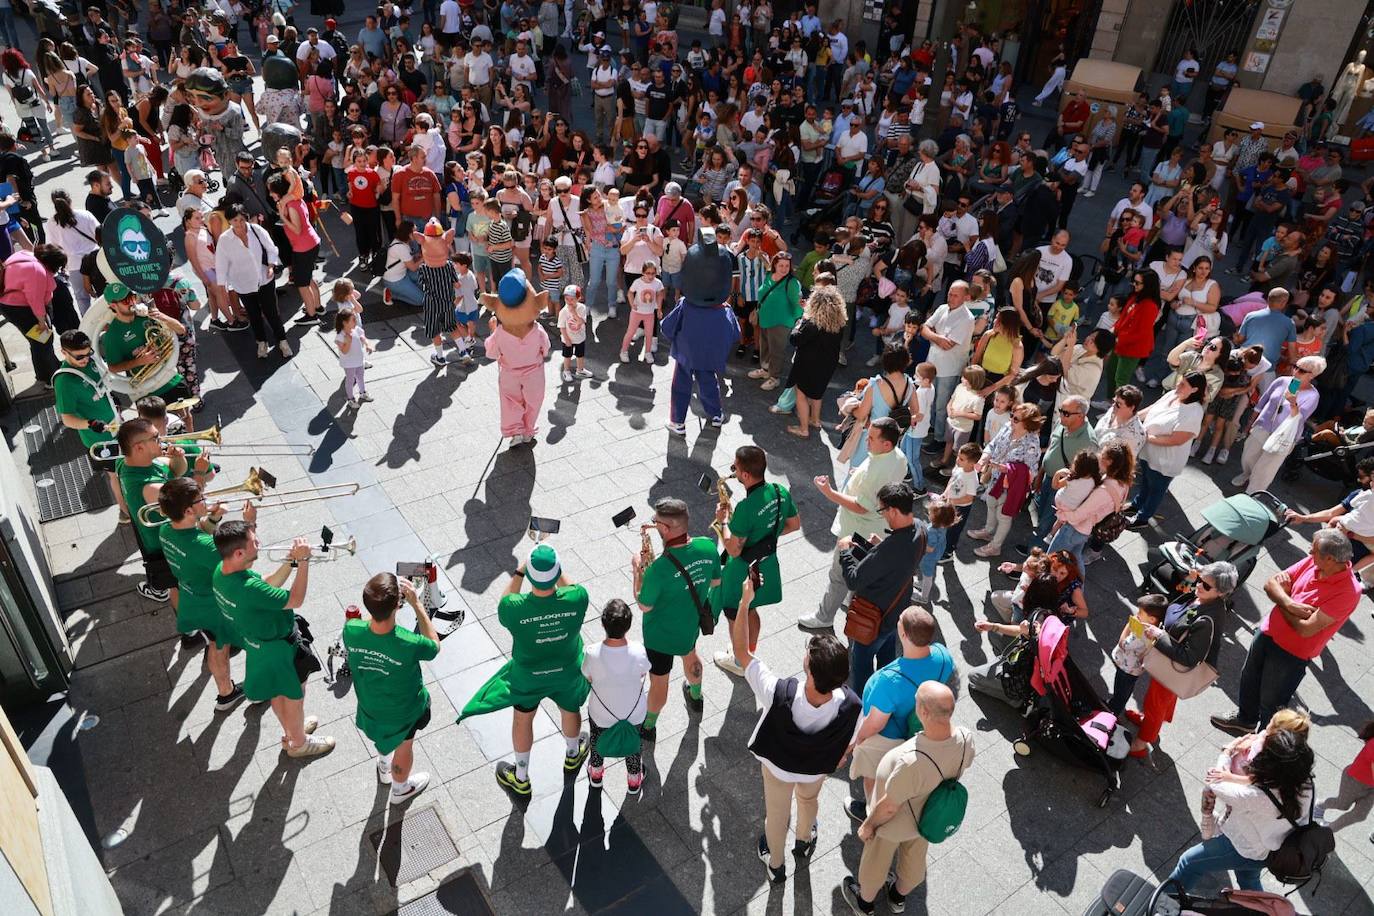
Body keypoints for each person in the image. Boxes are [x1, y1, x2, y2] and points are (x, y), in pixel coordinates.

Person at [733, 572, 858, 884]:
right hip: (815, 768)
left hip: (777, 767)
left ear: (810, 669)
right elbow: (852, 741)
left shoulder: (778, 690)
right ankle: (804, 840)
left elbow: (742, 654)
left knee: (776, 816)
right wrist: (841, 756)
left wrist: (744, 603)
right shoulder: (851, 705)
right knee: (808, 800)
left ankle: (776, 865)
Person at [460, 544, 591, 797]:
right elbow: (570, 588)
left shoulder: (514, 608)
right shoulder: (578, 598)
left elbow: (505, 600)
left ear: (530, 574)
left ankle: (520, 777)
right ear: (557, 572)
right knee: (570, 709)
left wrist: (520, 572)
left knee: (522, 719)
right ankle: (573, 755)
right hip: (566, 671)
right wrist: (555, 568)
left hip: (528, 677)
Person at [1211, 530, 1361, 737]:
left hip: (1292, 653)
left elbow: (1305, 628)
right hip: (1267, 632)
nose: (1309, 551)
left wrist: (1281, 597)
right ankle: (1244, 720)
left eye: (1314, 550)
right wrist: (1289, 602)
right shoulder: (1313, 562)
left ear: (1330, 558)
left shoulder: (1348, 592)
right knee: (1249, 678)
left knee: (1272, 702)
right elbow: (1270, 583)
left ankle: (1263, 741)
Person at [841, 681, 974, 915]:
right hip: (928, 816)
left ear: (922, 712)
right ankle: (897, 897)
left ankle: (864, 904)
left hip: (896, 823)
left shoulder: (912, 760)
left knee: (876, 861)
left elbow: (890, 807)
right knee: (914, 860)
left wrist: (869, 824)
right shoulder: (965, 738)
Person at [213, 519, 335, 758]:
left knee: (278, 693)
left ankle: (291, 730)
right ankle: (299, 743)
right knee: (294, 697)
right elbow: (296, 599)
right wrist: (304, 562)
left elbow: (266, 584)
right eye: (254, 541)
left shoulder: (223, 571)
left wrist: (290, 562)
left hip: (260, 645)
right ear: (239, 553)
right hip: (279, 648)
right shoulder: (248, 589)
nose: (259, 543)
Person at [1166, 729, 1314, 893]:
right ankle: (1263, 911)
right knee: (1248, 879)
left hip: (1243, 847)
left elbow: (1215, 781)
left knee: (1189, 862)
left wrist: (1227, 752)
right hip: (1268, 849)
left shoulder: (1256, 796)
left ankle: (1164, 902)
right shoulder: (1305, 782)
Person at [844, 606, 954, 820]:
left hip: (889, 738)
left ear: (903, 634)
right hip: (916, 733)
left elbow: (875, 724)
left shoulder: (889, 681)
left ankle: (872, 813)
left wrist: (856, 741)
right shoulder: (943, 655)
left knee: (874, 777)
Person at [799, 419, 910, 631]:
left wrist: (829, 493)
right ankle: (849, 599)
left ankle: (824, 617)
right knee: (858, 570)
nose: (866, 441)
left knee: (839, 574)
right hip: (873, 527)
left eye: (871, 438)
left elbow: (861, 506)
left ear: (887, 444)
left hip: (857, 528)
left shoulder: (877, 470)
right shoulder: (899, 457)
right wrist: (858, 476)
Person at [157, 477, 252, 712]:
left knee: (213, 643)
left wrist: (213, 518)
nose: (206, 500)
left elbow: (195, 532)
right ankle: (226, 693)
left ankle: (225, 690)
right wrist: (250, 525)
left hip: (192, 597)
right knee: (219, 647)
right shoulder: (205, 547)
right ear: (189, 510)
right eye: (201, 499)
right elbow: (243, 561)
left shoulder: (166, 529)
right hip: (213, 605)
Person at [347, 572, 440, 805]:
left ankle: (383, 765)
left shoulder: (351, 630)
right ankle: (400, 789)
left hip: (370, 705)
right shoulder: (408, 642)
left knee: (383, 735)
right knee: (404, 746)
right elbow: (434, 646)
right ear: (397, 607)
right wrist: (417, 604)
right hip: (404, 711)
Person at [1127, 562, 1237, 758]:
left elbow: (1189, 657)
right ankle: (1153, 722)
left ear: (1221, 593)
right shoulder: (1205, 599)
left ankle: (1141, 742)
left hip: (1173, 666)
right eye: (1201, 580)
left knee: (1155, 703)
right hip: (1171, 664)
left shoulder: (1206, 620)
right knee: (1162, 700)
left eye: (1206, 585)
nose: (1199, 585)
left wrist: (1159, 636)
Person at [632, 498, 722, 738]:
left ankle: (648, 726)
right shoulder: (708, 547)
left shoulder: (657, 570)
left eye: (656, 522)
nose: (654, 525)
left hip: (659, 636)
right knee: (691, 657)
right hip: (689, 625)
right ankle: (696, 696)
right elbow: (715, 582)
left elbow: (643, 605)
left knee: (659, 684)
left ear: (665, 528)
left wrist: (636, 573)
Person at [713, 446, 802, 676]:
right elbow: (794, 525)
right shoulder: (780, 490)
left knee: (735, 614)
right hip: (765, 562)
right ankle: (750, 651)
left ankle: (740, 661)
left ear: (744, 475)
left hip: (740, 570)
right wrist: (765, 535)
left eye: (735, 467)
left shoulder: (745, 508)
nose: (733, 471)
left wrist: (723, 523)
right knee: (752, 608)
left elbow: (733, 550)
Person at [839, 483, 924, 692]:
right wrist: (877, 548)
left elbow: (854, 580)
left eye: (882, 510)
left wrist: (844, 552)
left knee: (861, 664)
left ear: (893, 510)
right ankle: (886, 692)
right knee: (887, 657)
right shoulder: (921, 529)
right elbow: (899, 560)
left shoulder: (889, 549)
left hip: (874, 617)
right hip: (896, 611)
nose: (883, 515)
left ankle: (862, 704)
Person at [53, 330, 126, 521]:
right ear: (64, 353)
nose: (85, 359)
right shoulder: (64, 381)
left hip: (116, 424)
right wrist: (90, 423)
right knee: (115, 475)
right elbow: (67, 418)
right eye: (79, 357)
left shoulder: (89, 361)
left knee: (126, 467)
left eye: (88, 353)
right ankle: (125, 513)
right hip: (99, 438)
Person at [582, 599, 651, 795]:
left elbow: (587, 675)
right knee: (634, 745)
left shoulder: (592, 652)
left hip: (601, 714)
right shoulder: (638, 650)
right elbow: (644, 672)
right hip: (634, 714)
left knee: (596, 740)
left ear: (603, 624)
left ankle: (595, 774)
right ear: (628, 626)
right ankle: (634, 779)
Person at [1231, 356, 1325, 495]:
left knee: (1267, 466)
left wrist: (1293, 403)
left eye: (1302, 370)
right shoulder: (1282, 381)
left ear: (1312, 375)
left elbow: (1299, 417)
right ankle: (1247, 473)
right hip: (1263, 425)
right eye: (1295, 366)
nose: (1296, 371)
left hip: (1283, 435)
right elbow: (1262, 403)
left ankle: (1253, 491)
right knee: (1248, 455)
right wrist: (1250, 423)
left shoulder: (1313, 396)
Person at [1126, 373, 1206, 530]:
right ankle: (1136, 505)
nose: (1178, 385)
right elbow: (1153, 408)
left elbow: (1176, 440)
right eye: (1179, 381)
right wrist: (1132, 418)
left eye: (1183, 384)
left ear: (1195, 390)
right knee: (1146, 483)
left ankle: (1143, 518)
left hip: (1166, 461)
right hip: (1149, 453)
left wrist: (1145, 436)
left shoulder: (1194, 413)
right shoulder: (1173, 394)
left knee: (1156, 489)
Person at [783, 283, 847, 438]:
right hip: (828, 363)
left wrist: (800, 322)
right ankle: (815, 420)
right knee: (817, 393)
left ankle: (803, 429)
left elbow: (795, 340)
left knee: (801, 394)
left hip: (808, 363)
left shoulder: (812, 324)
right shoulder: (839, 323)